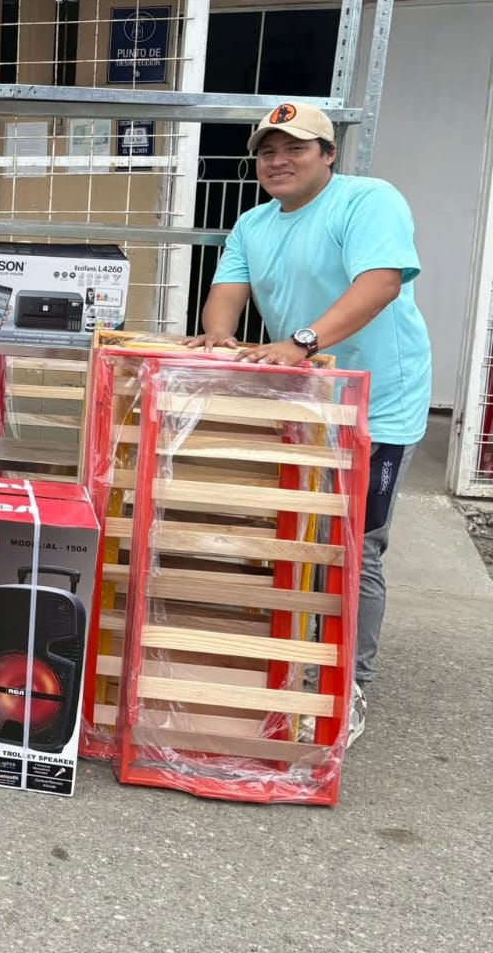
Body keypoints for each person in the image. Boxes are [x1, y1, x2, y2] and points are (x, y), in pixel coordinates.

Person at [189, 101, 431, 746]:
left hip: (379, 407)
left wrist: (300, 342)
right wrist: (219, 337)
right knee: (299, 531)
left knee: (356, 546)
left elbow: (380, 284)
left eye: (295, 147)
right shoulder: (253, 223)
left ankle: (349, 686)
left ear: (329, 154)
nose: (278, 161)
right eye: (267, 151)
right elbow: (226, 296)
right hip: (303, 402)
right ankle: (297, 655)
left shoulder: (368, 201)